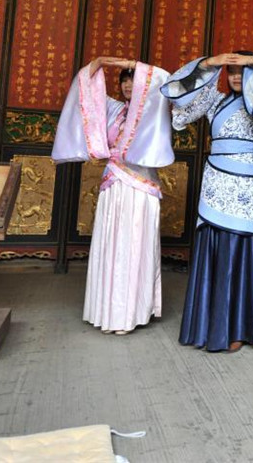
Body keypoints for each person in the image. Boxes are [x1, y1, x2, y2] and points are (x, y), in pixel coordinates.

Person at [161, 51, 253, 353]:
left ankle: (239, 327)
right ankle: (207, 323)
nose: (237, 77)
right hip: (215, 182)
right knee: (213, 246)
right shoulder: (214, 99)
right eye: (232, 72)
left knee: (240, 250)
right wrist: (207, 64)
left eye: (243, 71)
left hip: (247, 183)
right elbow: (180, 104)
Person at [52, 56, 174, 335]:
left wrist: (128, 62)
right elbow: (87, 86)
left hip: (140, 188)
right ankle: (107, 311)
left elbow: (164, 79)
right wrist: (101, 61)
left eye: (134, 78)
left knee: (133, 247)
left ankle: (129, 314)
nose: (129, 84)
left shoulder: (152, 109)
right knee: (111, 246)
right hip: (113, 185)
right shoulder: (115, 110)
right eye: (125, 79)